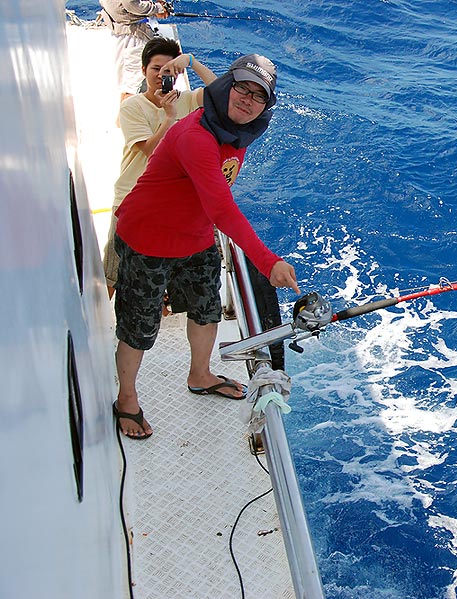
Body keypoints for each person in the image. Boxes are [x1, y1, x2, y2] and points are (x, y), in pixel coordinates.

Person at [111, 54, 301, 439]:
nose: (247, 100)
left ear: (266, 106)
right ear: (225, 88)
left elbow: (229, 95)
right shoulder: (196, 136)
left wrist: (194, 62)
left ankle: (200, 375)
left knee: (207, 311)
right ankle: (126, 399)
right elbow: (222, 209)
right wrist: (268, 262)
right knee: (139, 326)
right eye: (241, 89)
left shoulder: (233, 125)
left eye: (258, 96)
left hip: (196, 239)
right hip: (149, 238)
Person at [103, 37, 216, 298]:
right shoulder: (132, 107)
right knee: (113, 272)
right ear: (143, 71)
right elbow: (151, 151)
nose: (161, 75)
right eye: (156, 69)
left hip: (169, 203)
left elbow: (222, 92)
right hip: (131, 199)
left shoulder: (187, 100)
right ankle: (103, 327)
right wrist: (169, 117)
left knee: (160, 278)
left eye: (169, 70)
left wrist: (191, 62)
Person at [99, 0, 171, 101]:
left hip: (118, 31)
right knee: (133, 87)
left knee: (125, 83)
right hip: (134, 37)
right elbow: (131, 4)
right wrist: (157, 8)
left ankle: (124, 114)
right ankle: (126, 115)